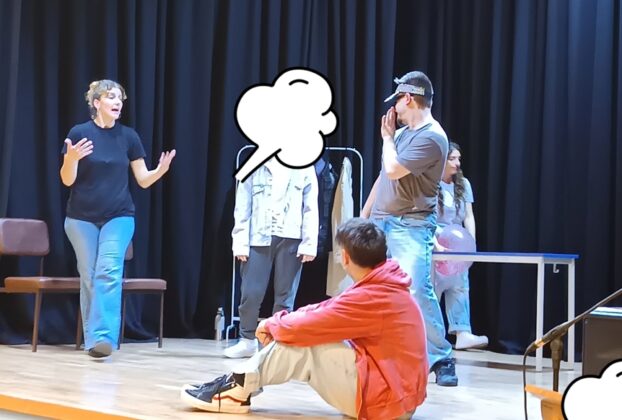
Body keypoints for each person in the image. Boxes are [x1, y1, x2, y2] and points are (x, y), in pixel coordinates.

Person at [181, 218, 428, 419]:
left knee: (305, 341)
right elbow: (327, 309)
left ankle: (236, 388)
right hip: (393, 397)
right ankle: (239, 382)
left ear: (344, 257)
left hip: (388, 404)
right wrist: (281, 322)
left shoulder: (375, 295)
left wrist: (272, 324)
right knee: (304, 331)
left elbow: (312, 324)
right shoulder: (384, 284)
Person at [60, 79, 176, 358]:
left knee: (108, 271)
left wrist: (159, 171)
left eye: (120, 98)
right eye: (111, 97)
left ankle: (103, 339)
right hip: (81, 218)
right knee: (89, 276)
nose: (117, 102)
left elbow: (143, 180)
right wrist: (71, 159)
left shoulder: (129, 137)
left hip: (119, 216)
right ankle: (93, 339)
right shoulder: (79, 133)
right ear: (96, 103)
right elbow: (67, 180)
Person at [361, 70, 457, 386]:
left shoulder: (433, 137)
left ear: (409, 98)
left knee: (416, 288)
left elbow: (393, 169)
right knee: (372, 289)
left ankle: (441, 357)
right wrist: (365, 214)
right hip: (383, 222)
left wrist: (387, 139)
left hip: (411, 225)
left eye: (398, 103)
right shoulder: (402, 135)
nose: (395, 110)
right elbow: (383, 176)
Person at [225, 158, 319, 358]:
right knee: (251, 292)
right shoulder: (253, 163)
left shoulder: (304, 164)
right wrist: (240, 242)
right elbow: (242, 207)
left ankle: (278, 343)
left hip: (292, 236)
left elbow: (311, 206)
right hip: (258, 236)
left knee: (285, 296)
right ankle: (247, 340)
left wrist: (309, 242)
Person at [433, 142, 488, 349]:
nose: (457, 163)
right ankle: (433, 335)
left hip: (458, 243)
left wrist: (470, 245)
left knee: (460, 286)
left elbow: (468, 216)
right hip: (437, 241)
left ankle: (463, 332)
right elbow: (427, 217)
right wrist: (437, 242)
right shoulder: (431, 183)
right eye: (452, 159)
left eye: (459, 159)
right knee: (434, 288)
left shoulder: (463, 184)